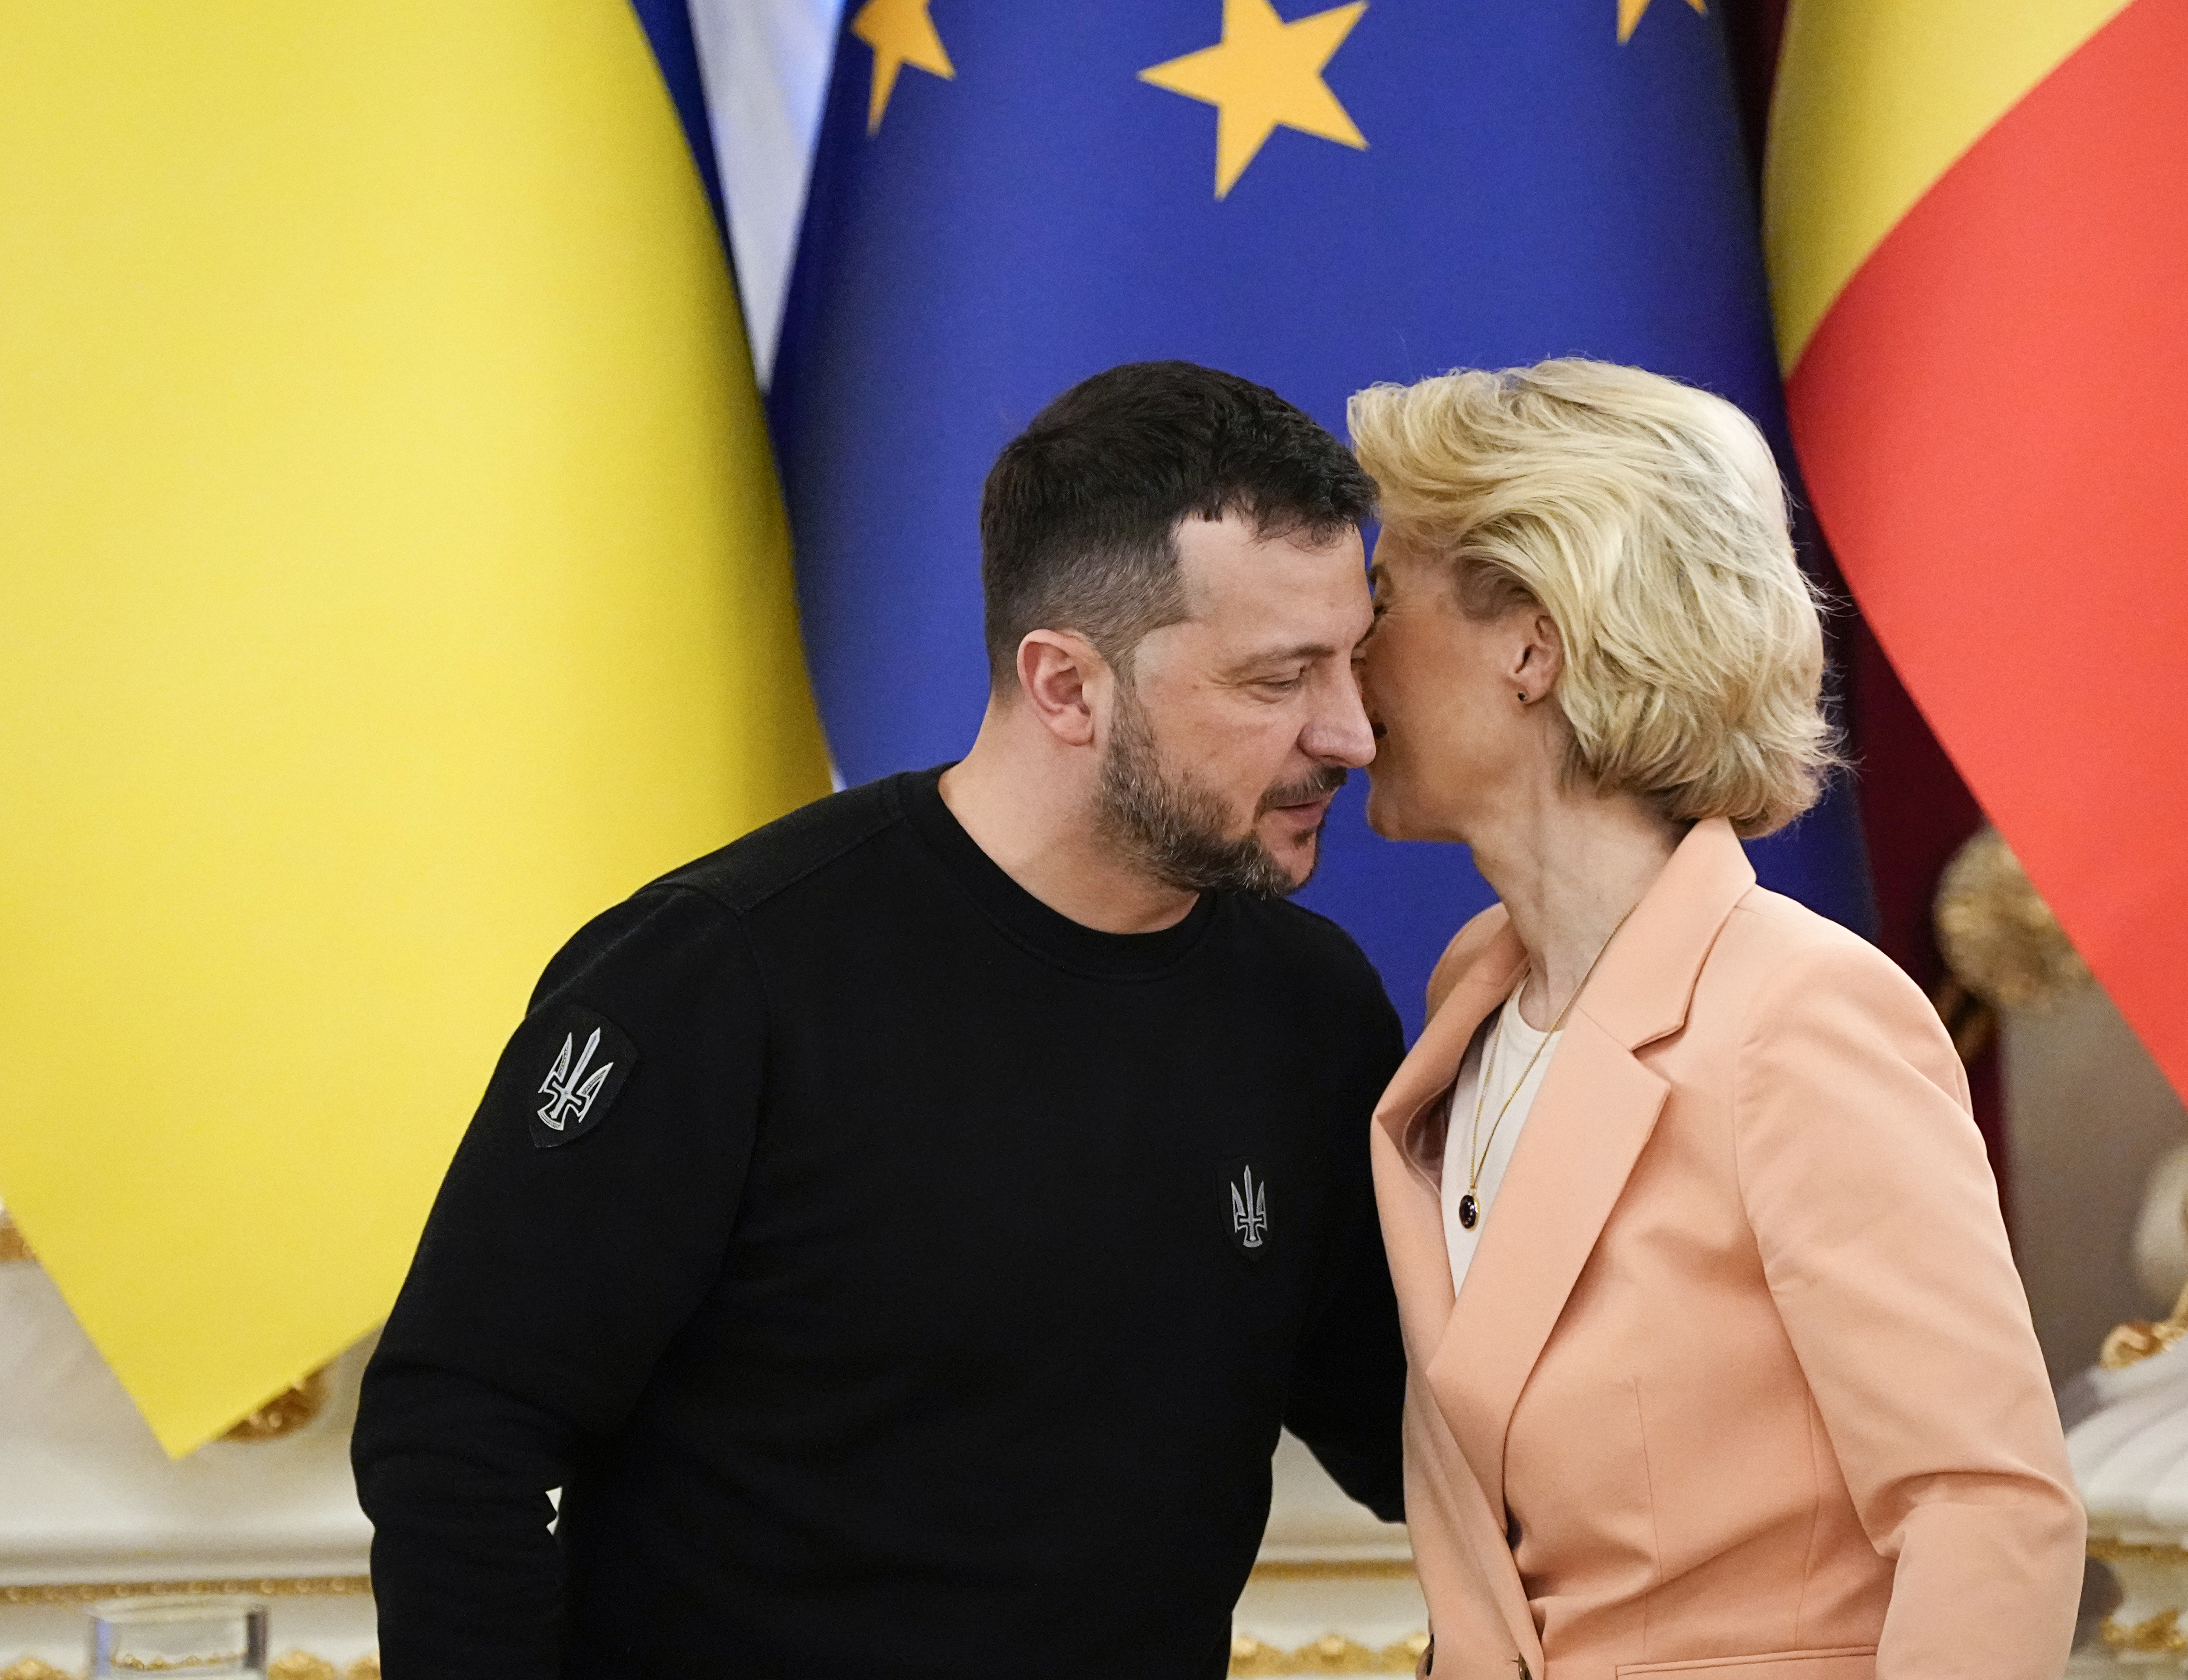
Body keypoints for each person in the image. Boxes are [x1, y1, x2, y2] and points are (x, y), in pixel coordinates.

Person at [354, 362, 1408, 1679]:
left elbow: (1413, 1435)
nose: (1353, 734)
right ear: (1066, 686)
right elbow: (460, 1427)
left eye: (1353, 662)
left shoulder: (1309, 1009)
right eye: (1276, 680)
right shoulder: (717, 976)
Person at [1350, 360, 2085, 1680]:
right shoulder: (1472, 996)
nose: (1348, 660)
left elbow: (1987, 1513)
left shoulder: (1798, 1015)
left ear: (1532, 640)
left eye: (1381, 598)